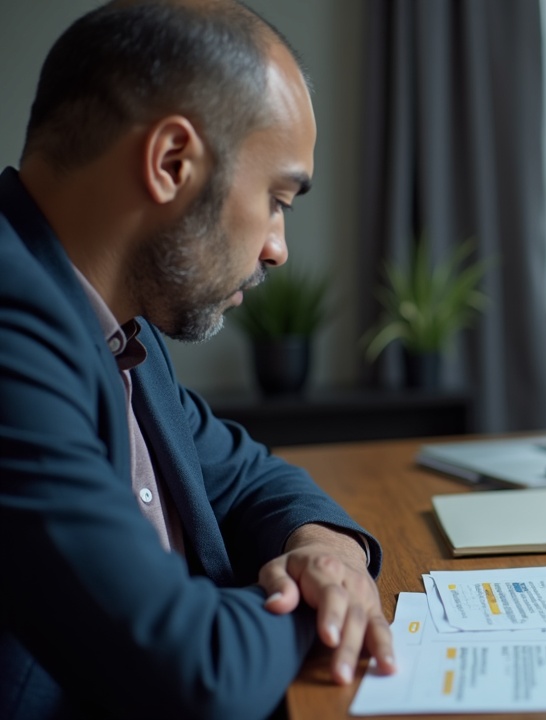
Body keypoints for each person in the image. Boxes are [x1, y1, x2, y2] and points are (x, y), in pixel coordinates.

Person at [0, 1, 396, 717]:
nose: (277, 247)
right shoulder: (12, 325)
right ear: (171, 162)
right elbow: (191, 670)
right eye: (277, 198)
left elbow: (248, 474)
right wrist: (320, 603)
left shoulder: (120, 329)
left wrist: (325, 550)